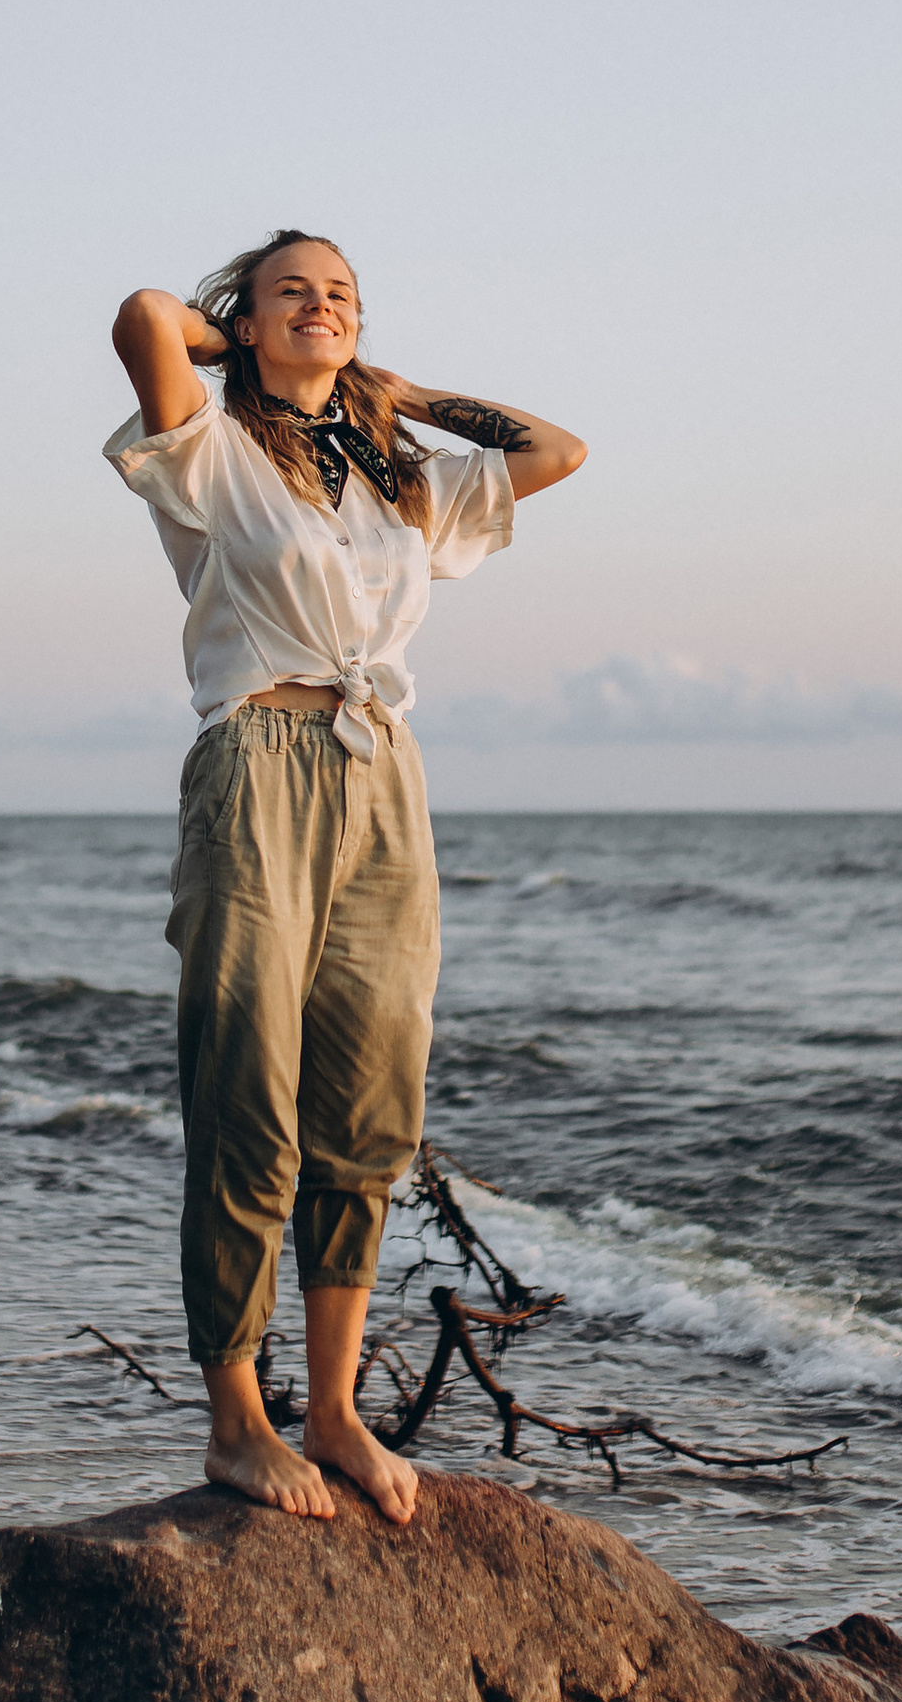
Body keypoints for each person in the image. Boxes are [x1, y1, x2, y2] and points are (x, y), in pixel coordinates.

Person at [106, 230, 587, 1526]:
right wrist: (253, 342)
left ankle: (332, 1410)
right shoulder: (208, 453)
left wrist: (391, 385)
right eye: (294, 294)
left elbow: (555, 453)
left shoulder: (392, 482)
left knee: (371, 1095)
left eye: (344, 297)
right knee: (246, 1094)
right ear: (248, 321)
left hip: (384, 773)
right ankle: (236, 1419)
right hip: (259, 757)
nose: (324, 308)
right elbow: (148, 316)